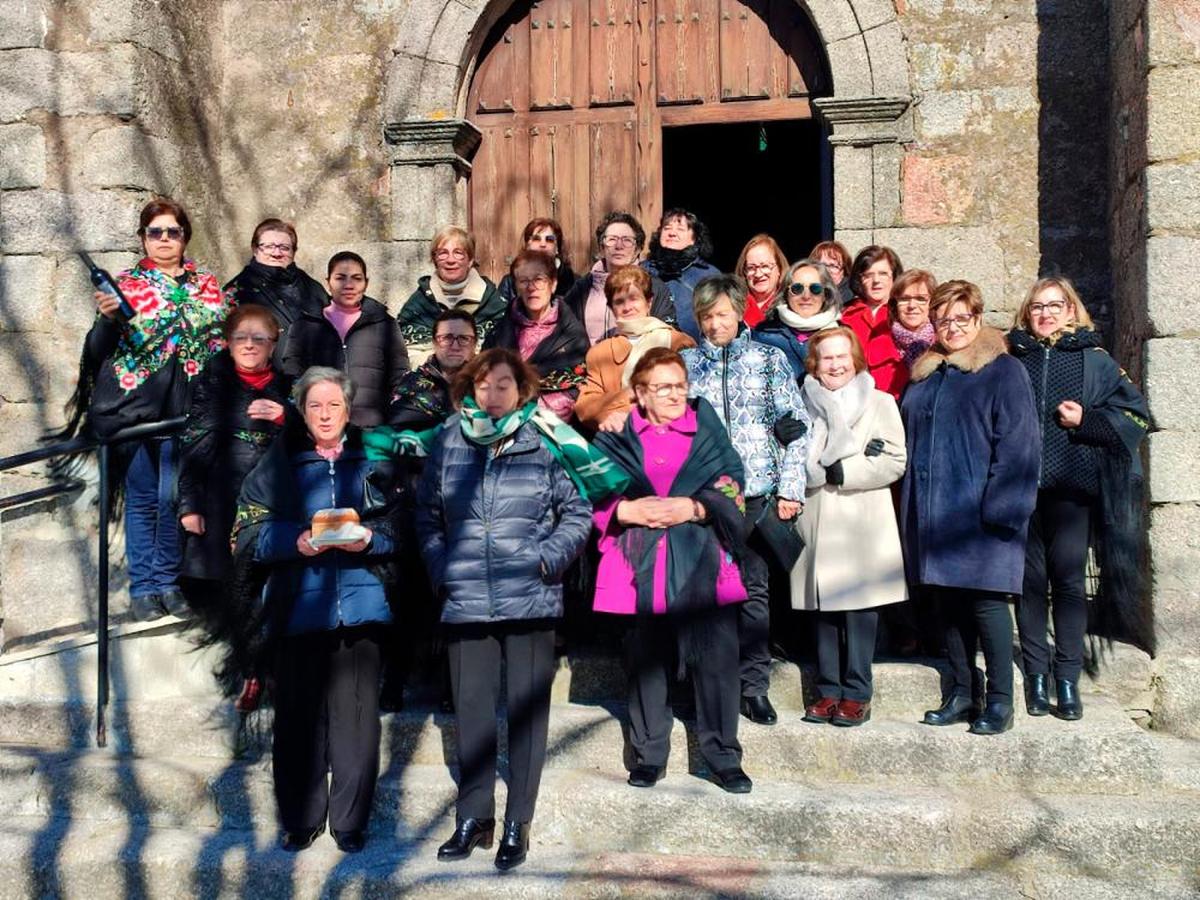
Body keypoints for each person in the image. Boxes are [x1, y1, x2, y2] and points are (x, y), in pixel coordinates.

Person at [418, 348, 591, 871]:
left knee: (526, 716)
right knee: (471, 713)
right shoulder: (449, 440)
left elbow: (578, 510)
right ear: (469, 390)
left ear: (522, 392)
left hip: (530, 597)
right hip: (466, 596)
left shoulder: (544, 440)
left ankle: (518, 820)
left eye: (503, 386)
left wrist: (549, 560)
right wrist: (441, 567)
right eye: (483, 386)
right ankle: (474, 817)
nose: (492, 396)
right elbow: (427, 515)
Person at [231, 367, 402, 854]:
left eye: (334, 405)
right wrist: (295, 541)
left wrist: (371, 539)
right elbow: (244, 535)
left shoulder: (373, 459)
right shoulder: (278, 463)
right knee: (298, 720)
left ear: (349, 410)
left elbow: (402, 528)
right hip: (298, 607)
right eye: (314, 406)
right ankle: (300, 817)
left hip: (363, 605)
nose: (325, 414)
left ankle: (350, 820)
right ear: (302, 413)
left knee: (357, 719)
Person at [592, 347, 753, 793]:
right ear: (639, 393)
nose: (676, 394)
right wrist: (625, 512)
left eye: (680, 385)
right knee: (647, 659)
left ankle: (723, 755)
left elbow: (733, 479)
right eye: (664, 387)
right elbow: (585, 484)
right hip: (639, 560)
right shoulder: (617, 434)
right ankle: (648, 755)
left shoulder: (705, 427)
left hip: (702, 555)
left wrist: (697, 506)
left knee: (717, 659)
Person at [66, 197, 233, 622]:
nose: (163, 239)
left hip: (189, 407)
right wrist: (106, 320)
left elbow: (218, 343)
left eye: (171, 231)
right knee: (143, 498)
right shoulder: (126, 285)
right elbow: (97, 351)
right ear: (143, 239)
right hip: (136, 407)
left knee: (174, 495)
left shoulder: (207, 285)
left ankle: (168, 582)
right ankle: (144, 587)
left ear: (184, 237)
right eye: (154, 232)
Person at [1007, 277, 1151, 720]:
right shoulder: (1013, 360)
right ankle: (1035, 675)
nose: (1046, 313)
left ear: (1072, 310)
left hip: (1073, 491)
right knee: (1029, 585)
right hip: (1020, 489)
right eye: (1037, 307)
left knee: (1068, 582)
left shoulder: (1097, 362)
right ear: (1026, 314)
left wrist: (1086, 420)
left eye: (1055, 305)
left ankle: (1066, 679)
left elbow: (1137, 418)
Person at [900, 281, 1040, 736]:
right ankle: (962, 692)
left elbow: (1019, 445)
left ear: (978, 319)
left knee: (988, 606)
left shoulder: (1003, 371)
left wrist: (1002, 509)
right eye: (944, 320)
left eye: (962, 318)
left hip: (982, 513)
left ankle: (1000, 700)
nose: (953, 327)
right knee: (947, 606)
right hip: (934, 513)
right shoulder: (927, 373)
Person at [681, 275, 810, 726]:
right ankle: (702, 685)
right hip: (704, 500)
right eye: (706, 316)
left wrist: (791, 489)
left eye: (722, 314)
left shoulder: (769, 359)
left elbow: (797, 427)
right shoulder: (686, 364)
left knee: (753, 592)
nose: (715, 323)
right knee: (704, 595)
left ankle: (753, 685)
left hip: (756, 493)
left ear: (739, 313)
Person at [178, 306, 291, 710]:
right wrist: (189, 506)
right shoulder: (212, 385)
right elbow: (193, 446)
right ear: (227, 343)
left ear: (273, 345)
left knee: (276, 590)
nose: (249, 345)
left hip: (276, 506)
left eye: (259, 338)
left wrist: (285, 417)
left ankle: (276, 670)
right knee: (238, 592)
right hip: (223, 504)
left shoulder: (289, 389)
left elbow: (316, 436)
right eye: (241, 337)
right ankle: (253, 672)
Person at [793, 328, 907, 727]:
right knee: (822, 607)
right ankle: (827, 690)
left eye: (843, 356)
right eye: (827, 358)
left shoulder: (880, 402)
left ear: (856, 359)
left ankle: (857, 692)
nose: (836, 365)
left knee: (859, 607)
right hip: (818, 511)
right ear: (814, 364)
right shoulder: (801, 404)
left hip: (860, 513)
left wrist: (846, 470)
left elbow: (894, 460)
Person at [376, 307, 479, 713]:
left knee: (457, 599)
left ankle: (452, 686)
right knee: (408, 595)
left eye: (462, 338)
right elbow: (400, 427)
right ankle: (394, 682)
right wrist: (451, 425)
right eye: (446, 338)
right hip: (419, 501)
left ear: (474, 343)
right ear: (434, 342)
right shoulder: (412, 383)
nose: (454, 345)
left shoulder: (487, 382)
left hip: (470, 505)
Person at [282, 251, 410, 427]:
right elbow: (293, 378)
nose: (349, 285)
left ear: (366, 283)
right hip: (321, 429)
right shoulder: (305, 325)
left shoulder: (385, 324)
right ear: (328, 283)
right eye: (340, 278)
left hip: (371, 431)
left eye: (357, 278)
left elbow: (400, 378)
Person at [575, 266, 695, 433]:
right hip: (621, 442)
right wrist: (630, 395)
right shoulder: (600, 352)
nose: (627, 307)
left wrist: (627, 411)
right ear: (611, 308)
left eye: (634, 298)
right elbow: (585, 409)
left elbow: (690, 400)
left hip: (671, 438)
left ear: (649, 302)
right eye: (619, 301)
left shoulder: (678, 342)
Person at [484, 250, 590, 420]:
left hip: (553, 425)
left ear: (553, 284)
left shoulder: (573, 336)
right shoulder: (498, 333)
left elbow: (576, 387)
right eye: (523, 281)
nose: (531, 288)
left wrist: (532, 412)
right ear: (516, 286)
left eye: (539, 279)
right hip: (500, 419)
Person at [223, 218, 328, 367]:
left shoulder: (312, 288)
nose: (276, 253)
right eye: (268, 246)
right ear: (255, 249)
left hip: (314, 379)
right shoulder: (237, 291)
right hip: (263, 382)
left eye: (284, 247)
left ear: (294, 251)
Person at [561, 211, 677, 344]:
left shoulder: (654, 286)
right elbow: (564, 333)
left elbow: (668, 334)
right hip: (592, 362)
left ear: (637, 250)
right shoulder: (583, 288)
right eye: (612, 239)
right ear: (601, 248)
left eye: (627, 240)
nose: (619, 246)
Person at [398, 226, 507, 365]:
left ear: (470, 260)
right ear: (434, 259)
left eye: (458, 253)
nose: (450, 260)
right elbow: (404, 353)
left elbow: (504, 351)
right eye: (443, 253)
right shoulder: (418, 304)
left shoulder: (493, 302)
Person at [753, 258, 842, 382]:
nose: (806, 296)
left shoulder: (842, 334)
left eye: (815, 289)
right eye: (797, 288)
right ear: (786, 293)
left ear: (825, 295)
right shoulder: (763, 334)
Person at [641, 208, 721, 341]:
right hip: (650, 353)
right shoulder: (643, 271)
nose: (672, 233)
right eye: (667, 228)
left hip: (695, 353)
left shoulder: (709, 275)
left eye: (680, 229)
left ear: (693, 238)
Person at [842, 245, 908, 399]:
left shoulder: (906, 312)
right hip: (856, 400)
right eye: (868, 275)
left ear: (894, 276)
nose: (876, 281)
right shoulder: (845, 315)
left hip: (899, 400)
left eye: (883, 274)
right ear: (859, 279)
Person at [496, 217, 577, 303]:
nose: (543, 244)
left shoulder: (574, 283)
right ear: (527, 246)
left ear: (557, 248)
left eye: (549, 239)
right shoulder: (509, 283)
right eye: (536, 239)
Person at [734, 234, 788, 328]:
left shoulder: (790, 304)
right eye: (751, 268)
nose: (758, 274)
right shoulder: (733, 304)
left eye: (765, 266)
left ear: (779, 268)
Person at [890, 269, 938, 372]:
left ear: (932, 303)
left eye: (920, 299)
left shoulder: (945, 342)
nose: (911, 306)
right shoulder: (881, 345)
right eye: (904, 299)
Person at [811, 240, 855, 307]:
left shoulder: (852, 303)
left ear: (845, 271)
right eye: (821, 265)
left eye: (833, 266)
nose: (827, 271)